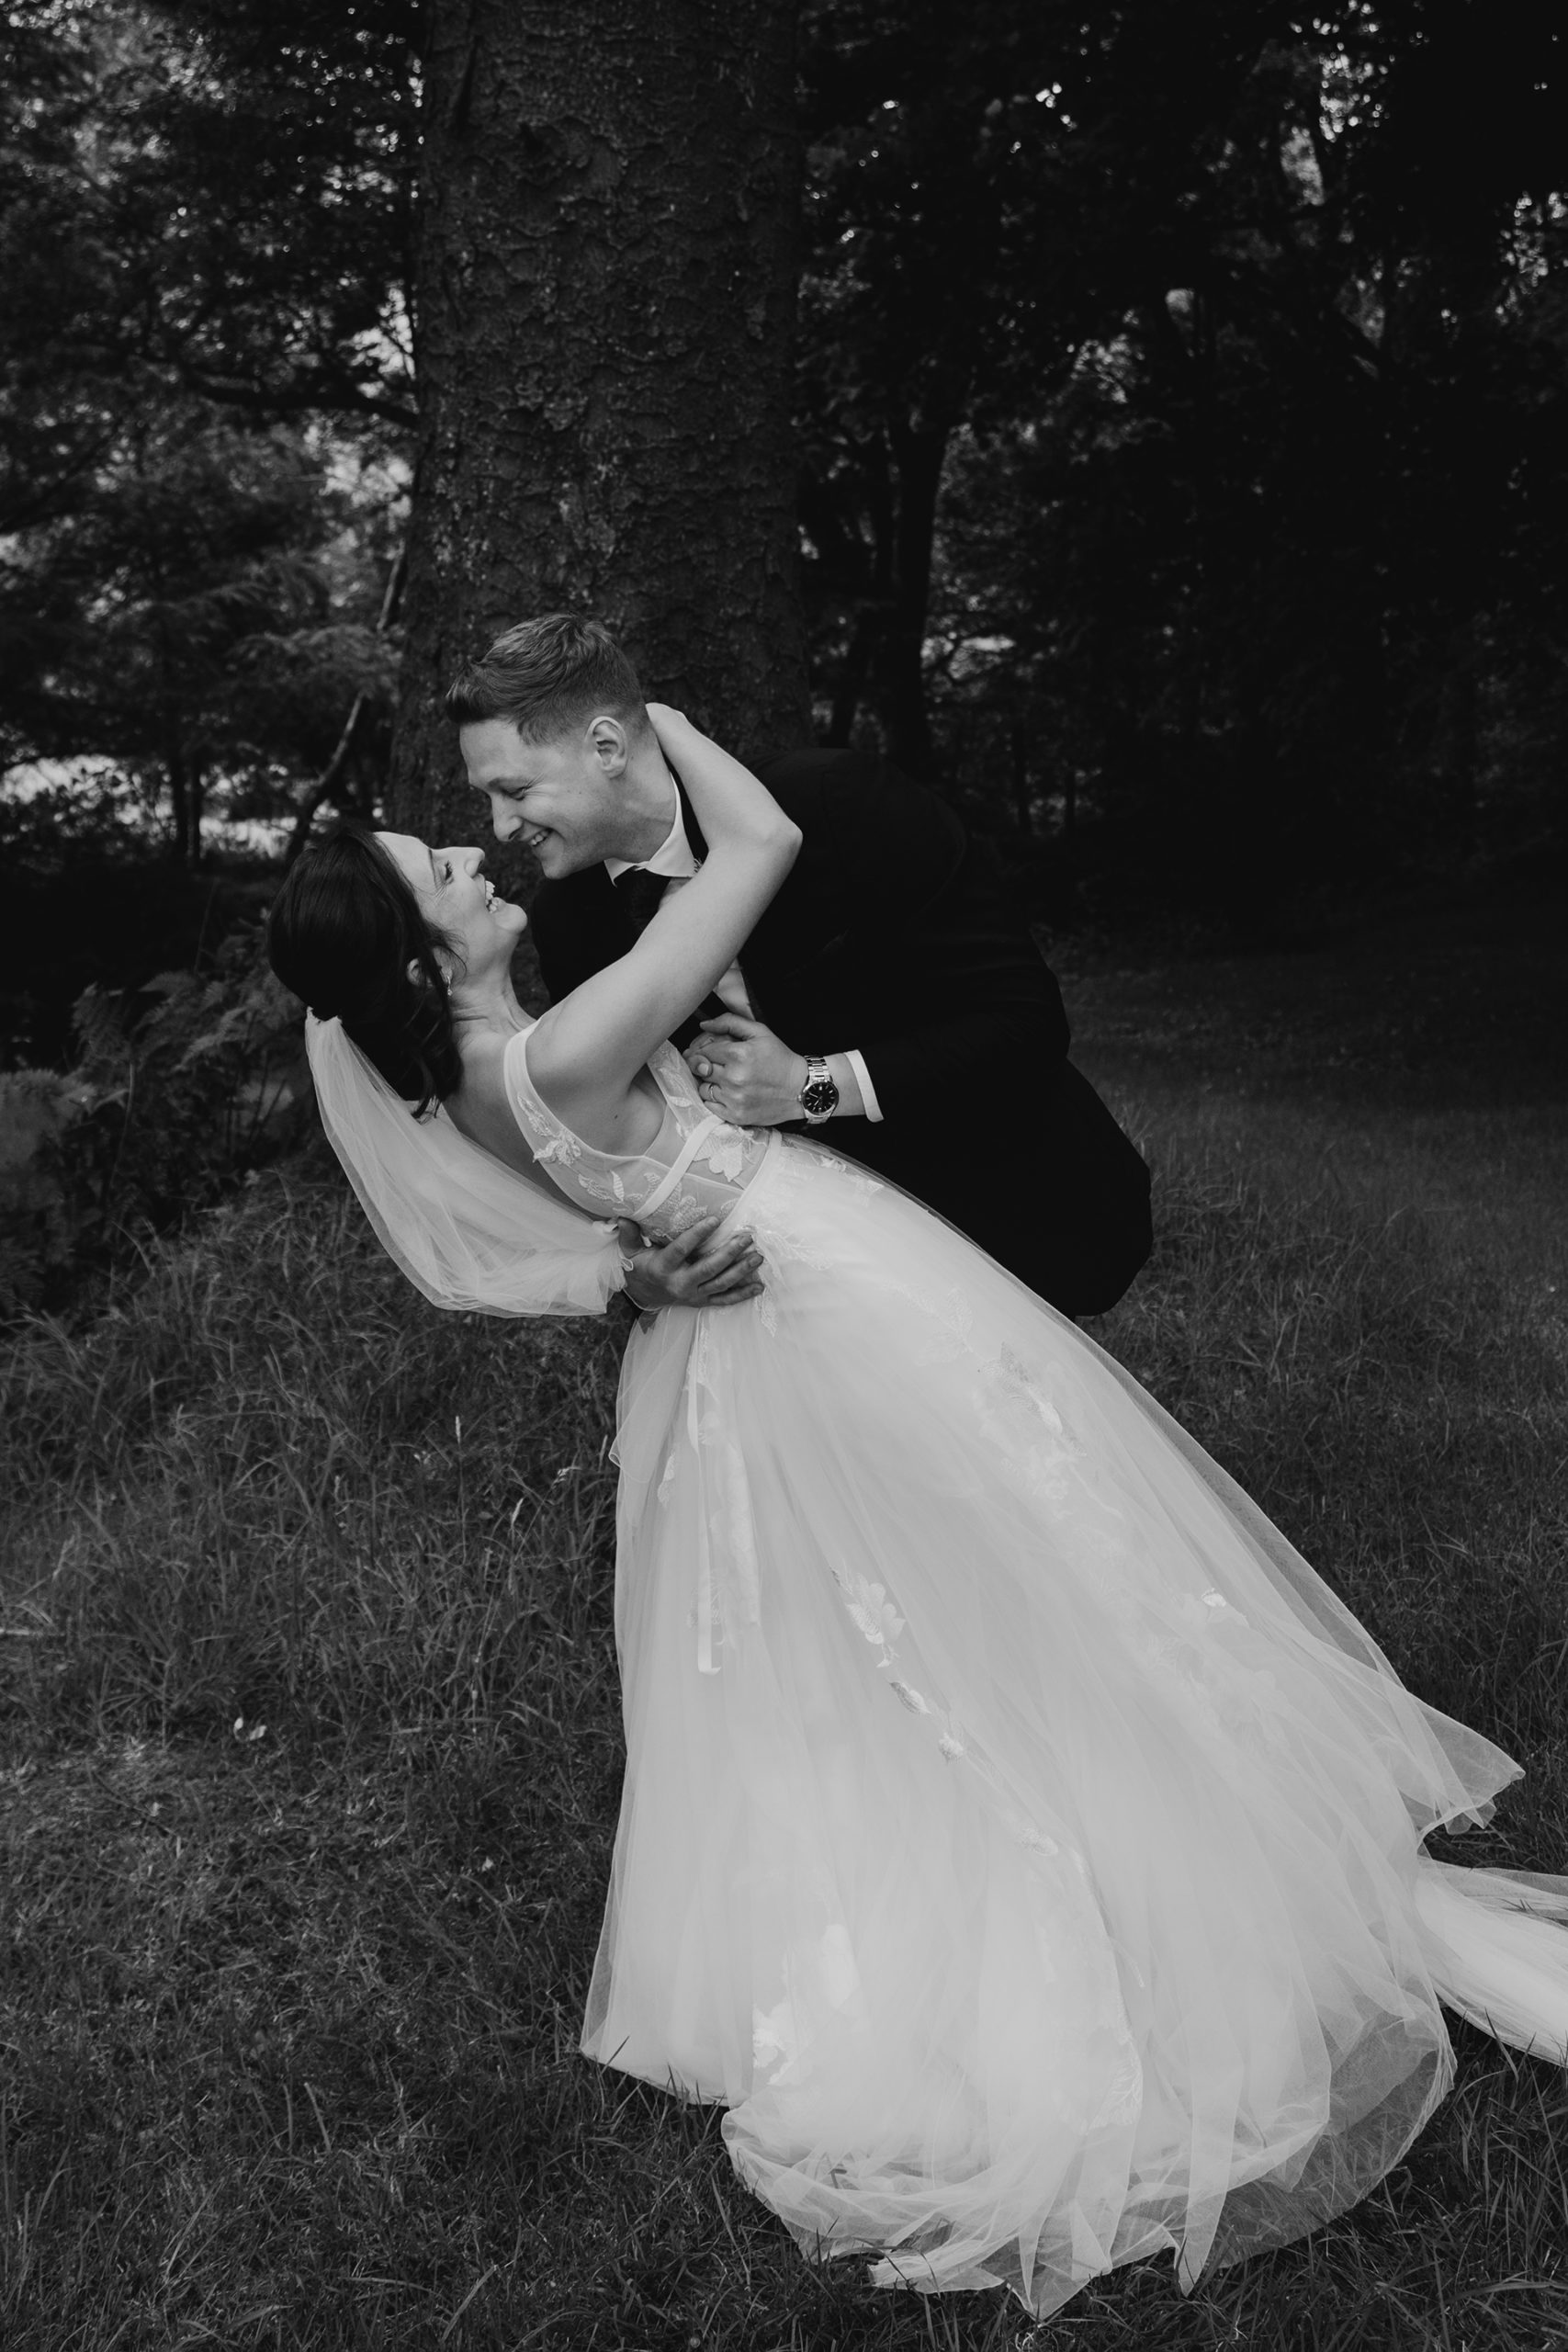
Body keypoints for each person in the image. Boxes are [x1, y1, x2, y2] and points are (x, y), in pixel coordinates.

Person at [268, 700, 1568, 2326]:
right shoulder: (569, 1044)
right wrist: (658, 715)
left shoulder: (467, 1084)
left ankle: (938, 1883)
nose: (474, 853)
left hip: (734, 1358)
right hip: (834, 1315)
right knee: (1034, 1573)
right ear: (416, 946)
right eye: (440, 865)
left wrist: (626, 1270)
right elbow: (756, 846)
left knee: (848, 1652)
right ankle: (1144, 1890)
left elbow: (540, 1223)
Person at [449, 615, 1152, 1319]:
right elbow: (628, 1136)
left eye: (514, 791)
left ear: (606, 745)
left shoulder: (838, 803)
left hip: (1011, 1202)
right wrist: (642, 1276)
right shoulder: (568, 923)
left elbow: (1023, 1021)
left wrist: (810, 1086)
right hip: (814, 1291)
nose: (501, 827)